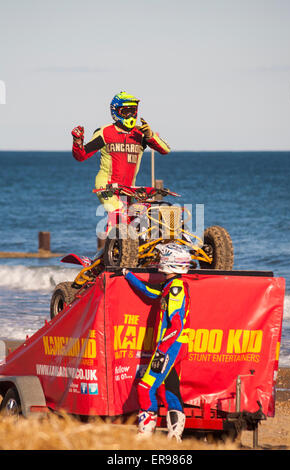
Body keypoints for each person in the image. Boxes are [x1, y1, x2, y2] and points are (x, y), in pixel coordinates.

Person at [122, 243, 191, 441]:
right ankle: (175, 436)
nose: (160, 261)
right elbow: (150, 291)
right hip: (176, 345)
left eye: (163, 257)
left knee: (145, 387)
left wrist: (162, 351)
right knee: (170, 388)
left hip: (171, 345)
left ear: (171, 261)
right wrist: (128, 275)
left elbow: (176, 324)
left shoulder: (176, 287)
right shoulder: (171, 285)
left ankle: (145, 433)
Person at [71, 91, 170, 228]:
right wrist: (77, 141)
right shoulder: (105, 132)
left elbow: (165, 150)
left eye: (133, 111)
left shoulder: (141, 133)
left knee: (135, 221)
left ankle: (115, 248)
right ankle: (114, 244)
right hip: (106, 186)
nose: (130, 115)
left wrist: (150, 135)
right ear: (115, 112)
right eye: (125, 111)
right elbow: (81, 156)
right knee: (119, 214)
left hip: (128, 189)